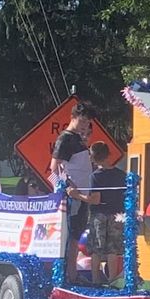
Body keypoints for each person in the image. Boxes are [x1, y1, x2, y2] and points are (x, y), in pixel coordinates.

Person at [49, 103, 98, 266]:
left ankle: (72, 272)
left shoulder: (78, 139)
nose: (84, 125)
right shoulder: (65, 139)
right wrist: (67, 187)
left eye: (87, 123)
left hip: (84, 195)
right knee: (69, 235)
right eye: (82, 121)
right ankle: (67, 273)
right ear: (73, 118)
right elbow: (54, 169)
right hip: (72, 198)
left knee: (76, 235)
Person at [87, 141, 127, 282]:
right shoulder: (121, 175)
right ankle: (112, 280)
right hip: (117, 214)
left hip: (99, 215)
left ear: (93, 157)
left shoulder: (95, 176)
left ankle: (95, 280)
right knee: (113, 250)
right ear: (108, 154)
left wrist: (77, 195)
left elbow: (96, 199)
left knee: (97, 249)